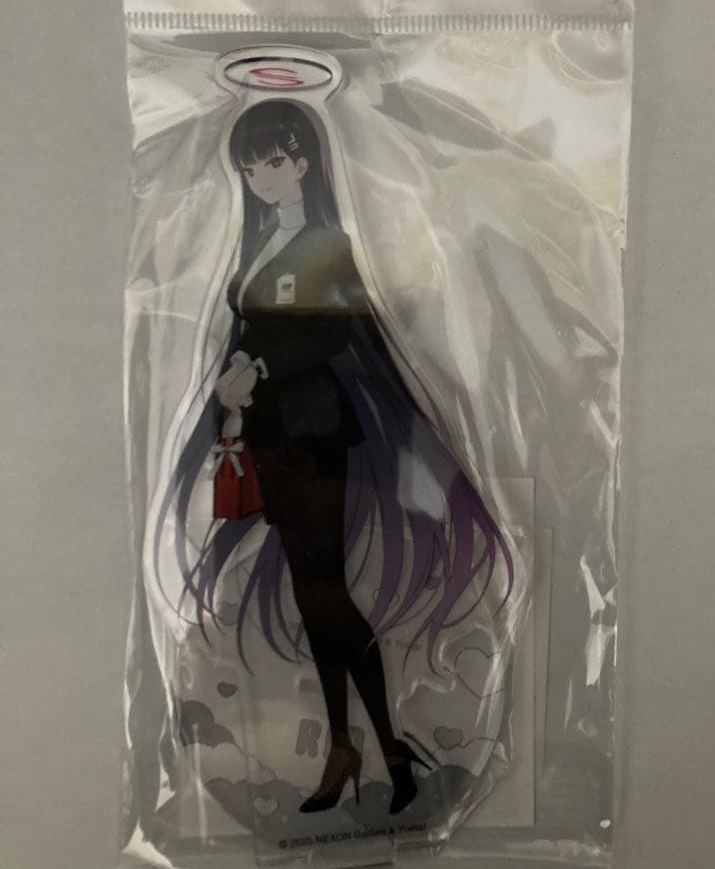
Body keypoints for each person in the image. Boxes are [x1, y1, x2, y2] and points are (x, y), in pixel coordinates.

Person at [160, 98, 513, 815]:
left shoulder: (328, 242)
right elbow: (255, 327)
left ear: (305, 163)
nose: (262, 178)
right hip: (270, 431)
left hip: (314, 430)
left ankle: (380, 749)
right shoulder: (261, 241)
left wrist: (258, 369)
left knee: (325, 595)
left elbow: (333, 333)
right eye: (250, 167)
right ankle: (360, 751)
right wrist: (235, 390)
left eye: (274, 161)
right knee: (315, 594)